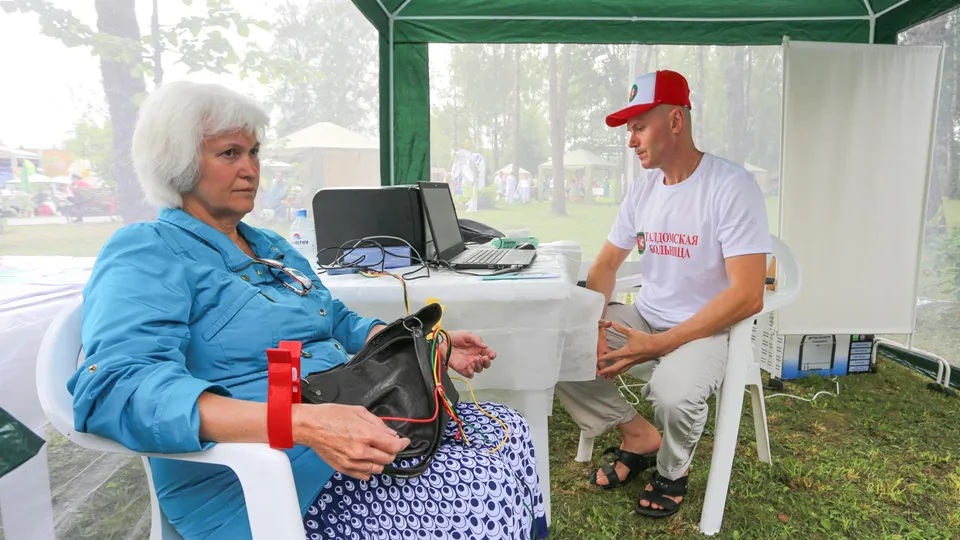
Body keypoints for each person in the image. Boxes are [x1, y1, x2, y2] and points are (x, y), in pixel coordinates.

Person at [68, 81, 548, 540]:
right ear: (176, 164)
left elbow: (335, 320)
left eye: (253, 152)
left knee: (507, 432)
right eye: (229, 153)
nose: (251, 169)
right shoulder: (148, 250)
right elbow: (115, 388)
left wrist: (426, 348)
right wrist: (298, 422)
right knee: (473, 494)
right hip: (260, 473)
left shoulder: (270, 245)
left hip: (346, 420)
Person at [555, 70, 770, 518]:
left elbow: (749, 295)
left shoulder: (731, 187)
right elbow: (605, 266)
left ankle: (672, 471)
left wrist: (661, 344)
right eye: (629, 130)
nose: (630, 141)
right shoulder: (644, 188)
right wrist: (594, 326)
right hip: (646, 316)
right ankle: (638, 434)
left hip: (705, 330)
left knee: (673, 395)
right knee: (558, 344)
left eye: (638, 127)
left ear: (675, 121)